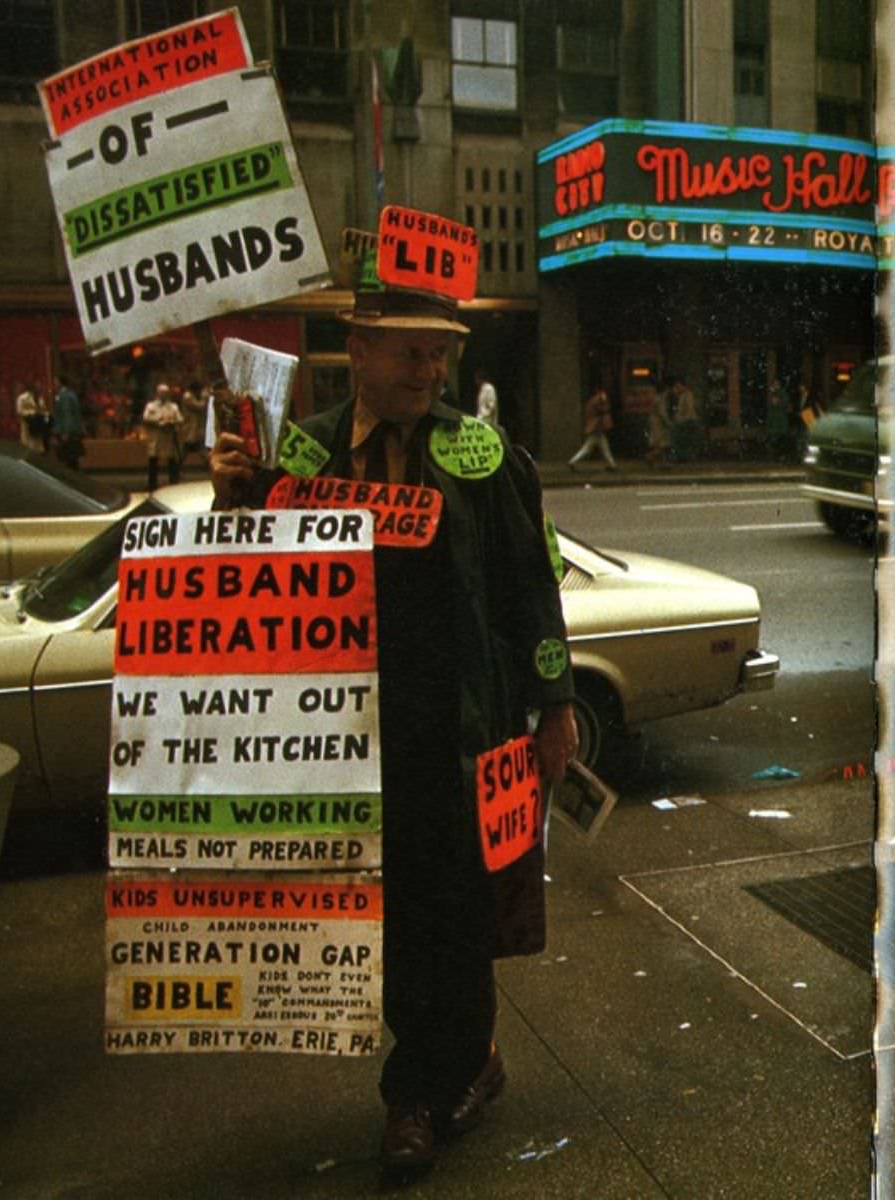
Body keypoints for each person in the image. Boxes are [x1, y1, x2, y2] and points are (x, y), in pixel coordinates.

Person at [211, 269, 578, 1180]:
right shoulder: (303, 451)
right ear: (358, 352)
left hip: (465, 724)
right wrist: (233, 495)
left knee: (462, 904)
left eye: (441, 352)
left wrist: (557, 703)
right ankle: (457, 1068)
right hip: (350, 729)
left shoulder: (481, 452)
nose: (428, 369)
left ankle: (426, 1085)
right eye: (411, 351)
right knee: (388, 911)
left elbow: (530, 584)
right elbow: (250, 573)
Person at [142, 382, 184, 489]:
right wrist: (158, 420)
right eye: (162, 393)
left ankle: (173, 483)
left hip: (168, 437)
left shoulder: (173, 406)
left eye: (165, 393)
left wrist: (170, 421)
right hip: (155, 437)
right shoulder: (151, 406)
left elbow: (180, 419)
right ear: (157, 393)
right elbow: (146, 418)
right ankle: (152, 485)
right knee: (153, 461)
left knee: (171, 461)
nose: (164, 395)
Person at [567, 385, 617, 469]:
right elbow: (604, 408)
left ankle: (611, 464)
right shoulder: (598, 399)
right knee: (592, 448)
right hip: (596, 426)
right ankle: (572, 461)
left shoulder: (591, 401)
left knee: (600, 446)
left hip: (595, 427)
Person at [52, 376, 84, 469]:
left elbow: (67, 414)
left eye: (55, 381)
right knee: (72, 458)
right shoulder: (71, 394)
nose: (54, 384)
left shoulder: (64, 396)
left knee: (67, 458)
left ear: (60, 382)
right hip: (72, 430)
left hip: (65, 430)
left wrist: (66, 432)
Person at [179, 378, 209, 465]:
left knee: (201, 449)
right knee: (186, 449)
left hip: (195, 428)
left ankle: (209, 467)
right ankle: (176, 471)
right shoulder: (188, 396)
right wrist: (204, 398)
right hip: (190, 428)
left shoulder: (192, 395)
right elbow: (200, 407)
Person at [671, 377, 700, 461]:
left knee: (677, 437)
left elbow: (689, 410)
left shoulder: (688, 395)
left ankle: (680, 456)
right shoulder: (682, 395)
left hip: (688, 422)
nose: (676, 388)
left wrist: (681, 420)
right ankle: (681, 456)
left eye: (678, 386)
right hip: (684, 421)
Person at [16, 381, 48, 453]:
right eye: (37, 388)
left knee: (38, 443)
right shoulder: (22, 398)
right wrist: (32, 413)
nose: (39, 389)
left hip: (39, 423)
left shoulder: (40, 398)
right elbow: (19, 411)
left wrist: (44, 414)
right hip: (28, 423)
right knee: (29, 444)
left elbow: (43, 409)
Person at [645, 381, 672, 466]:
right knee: (662, 445)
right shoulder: (661, 400)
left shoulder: (656, 398)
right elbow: (662, 413)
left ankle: (662, 463)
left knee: (659, 444)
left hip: (655, 423)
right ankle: (650, 456)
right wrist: (669, 423)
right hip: (659, 425)